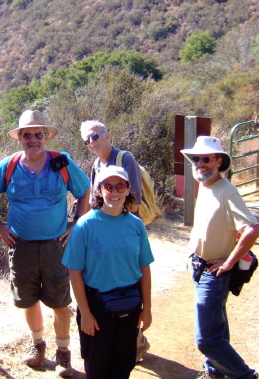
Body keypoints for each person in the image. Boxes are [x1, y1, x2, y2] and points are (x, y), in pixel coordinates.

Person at [0, 110, 90, 378]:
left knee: (60, 301)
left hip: (56, 245)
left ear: (46, 137)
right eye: (27, 135)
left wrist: (76, 223)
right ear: (19, 137)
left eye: (38, 135)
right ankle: (38, 347)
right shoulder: (8, 166)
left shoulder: (61, 162)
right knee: (28, 299)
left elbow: (84, 190)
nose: (33, 139)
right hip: (22, 246)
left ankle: (63, 353)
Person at [181, 136, 259, 379]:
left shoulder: (227, 191)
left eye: (206, 159)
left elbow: (252, 229)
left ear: (218, 161)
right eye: (196, 159)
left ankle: (244, 376)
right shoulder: (206, 186)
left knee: (206, 340)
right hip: (200, 267)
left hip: (214, 273)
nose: (200, 163)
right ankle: (214, 371)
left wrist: (229, 262)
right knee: (217, 326)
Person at [63, 166, 153, 379]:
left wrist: (147, 308)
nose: (114, 192)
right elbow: (74, 272)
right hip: (96, 307)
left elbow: (144, 269)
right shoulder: (84, 226)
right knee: (97, 367)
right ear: (99, 191)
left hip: (130, 303)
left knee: (123, 364)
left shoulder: (136, 225)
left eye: (120, 186)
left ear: (128, 189)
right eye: (108, 187)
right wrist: (85, 313)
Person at [78, 119, 151, 361]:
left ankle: (136, 341)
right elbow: (93, 202)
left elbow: (135, 201)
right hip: (100, 234)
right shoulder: (96, 165)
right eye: (87, 140)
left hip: (124, 232)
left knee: (130, 281)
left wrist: (126, 231)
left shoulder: (124, 160)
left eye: (95, 136)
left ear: (107, 135)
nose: (91, 142)